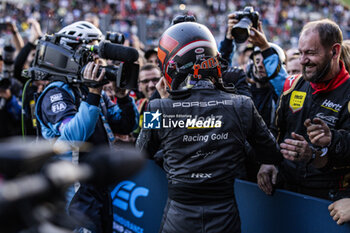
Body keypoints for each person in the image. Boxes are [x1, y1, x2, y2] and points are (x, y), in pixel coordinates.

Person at [136, 21, 282, 233]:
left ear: (171, 64)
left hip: (179, 216)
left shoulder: (157, 107)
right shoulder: (241, 104)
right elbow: (272, 153)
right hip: (225, 215)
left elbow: (141, 153)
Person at [35, 21, 139, 233]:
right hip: (74, 192)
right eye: (91, 52)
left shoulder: (90, 91)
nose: (97, 60)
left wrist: (122, 97)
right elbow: (73, 137)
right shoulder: (57, 93)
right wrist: (93, 94)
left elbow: (126, 124)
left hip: (100, 187)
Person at [257, 19, 350, 200]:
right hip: (285, 192)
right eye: (300, 53)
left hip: (329, 201)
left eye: (310, 53)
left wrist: (331, 140)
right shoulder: (292, 85)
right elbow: (276, 130)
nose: (302, 60)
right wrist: (268, 161)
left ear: (335, 51)